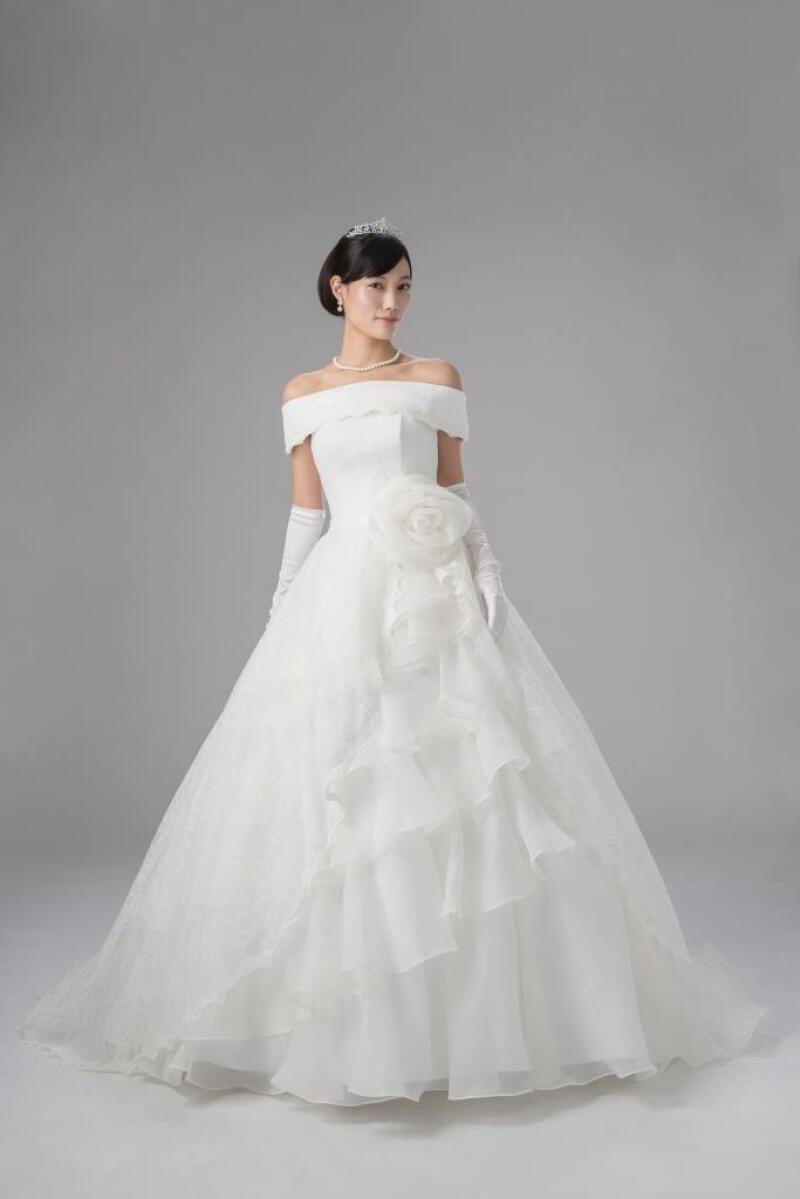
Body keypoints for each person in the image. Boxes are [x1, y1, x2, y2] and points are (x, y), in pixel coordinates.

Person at [18, 217, 769, 1106]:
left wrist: (486, 570)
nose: (393, 302)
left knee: (469, 788)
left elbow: (455, 490)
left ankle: (479, 1021)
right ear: (338, 288)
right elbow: (308, 513)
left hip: (432, 597)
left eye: (405, 286)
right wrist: (281, 607)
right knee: (348, 794)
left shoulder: (436, 379)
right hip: (341, 599)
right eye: (377, 286)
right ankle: (339, 1024)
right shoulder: (303, 393)